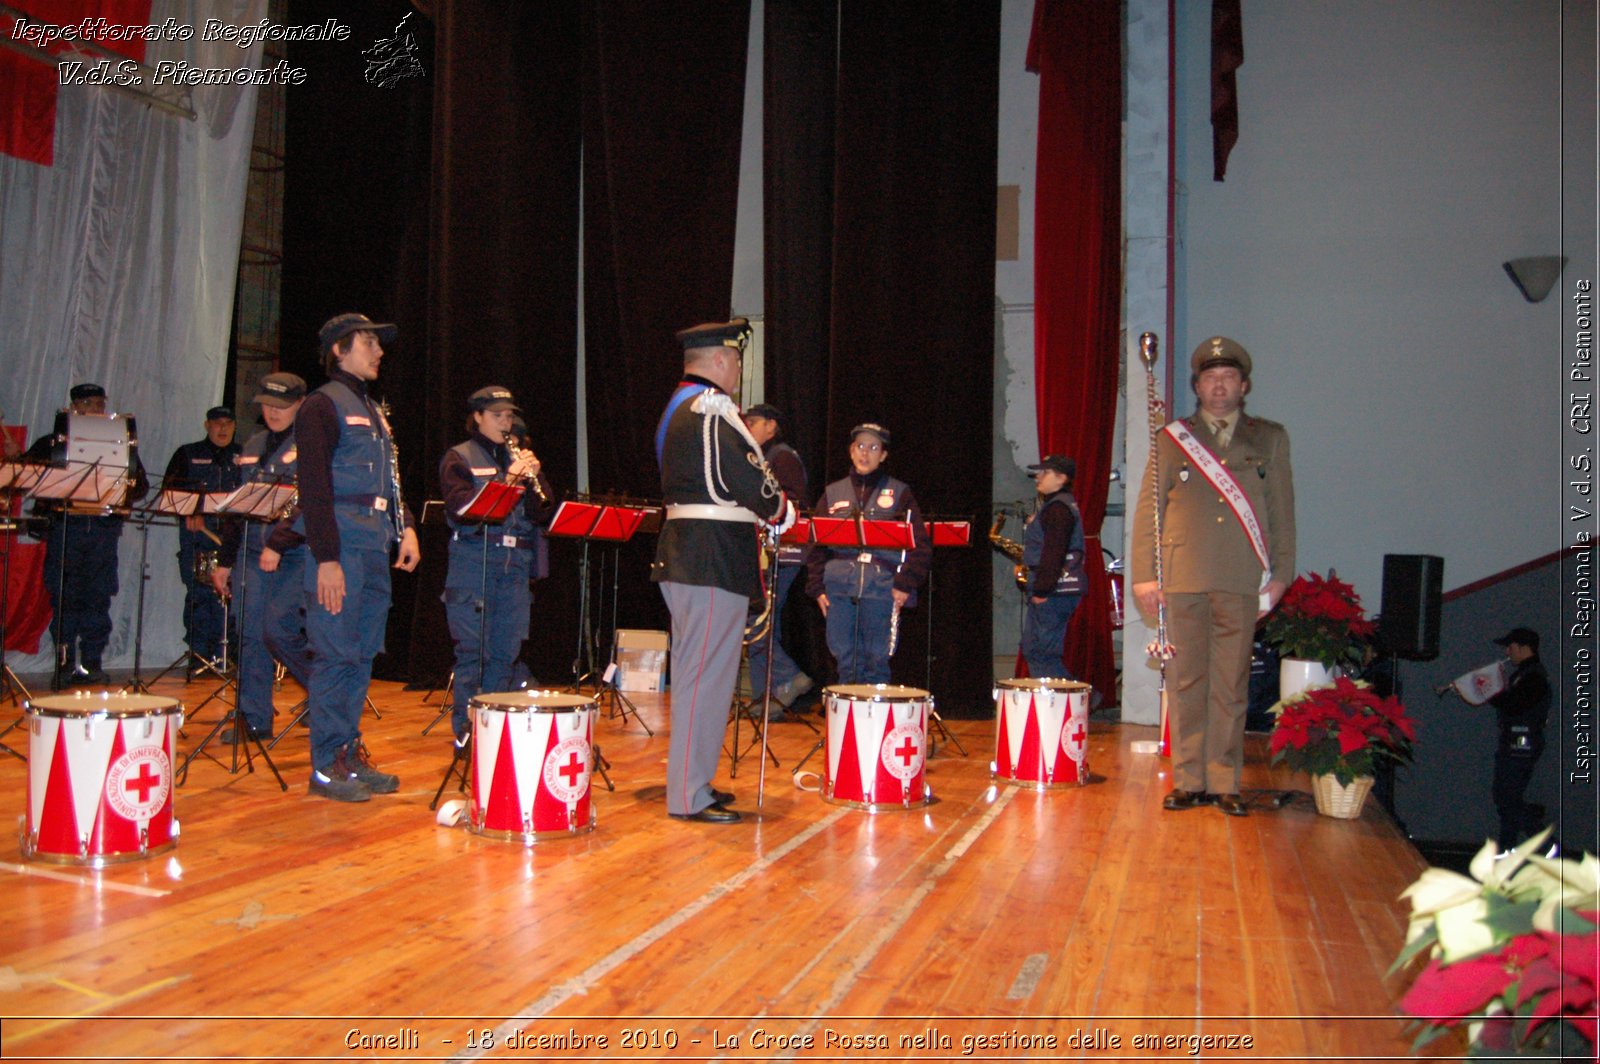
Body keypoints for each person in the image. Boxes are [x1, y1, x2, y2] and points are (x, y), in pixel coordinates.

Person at [1131, 336, 1295, 817]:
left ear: (1243, 386)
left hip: (1242, 577)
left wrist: (1282, 573)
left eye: (1228, 378)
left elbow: (1283, 513)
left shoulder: (1269, 438)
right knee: (1186, 682)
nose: (1218, 385)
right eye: (1209, 378)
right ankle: (1189, 780)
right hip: (1182, 574)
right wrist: (1144, 575)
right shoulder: (1172, 438)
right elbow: (1149, 511)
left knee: (1231, 683)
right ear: (1197, 386)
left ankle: (1225, 781)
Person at [652, 318, 792, 825]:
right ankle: (688, 794)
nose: (738, 369)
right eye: (735, 360)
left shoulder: (682, 408)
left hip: (697, 555)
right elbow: (748, 482)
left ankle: (696, 783)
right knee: (701, 678)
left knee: (706, 676)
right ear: (719, 361)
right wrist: (781, 510)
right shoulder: (708, 411)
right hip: (708, 556)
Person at [292, 314, 421, 802]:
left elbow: (391, 478)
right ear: (340, 350)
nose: (379, 351)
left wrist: (405, 525)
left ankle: (348, 754)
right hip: (340, 546)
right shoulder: (321, 406)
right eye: (370, 343)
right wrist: (327, 558)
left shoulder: (373, 408)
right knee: (335, 655)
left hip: (373, 544)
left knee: (362, 656)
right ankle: (326, 765)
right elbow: (315, 490)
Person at [438, 385, 555, 750]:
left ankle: (498, 733)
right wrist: (508, 482)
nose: (506, 423)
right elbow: (463, 512)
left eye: (509, 416)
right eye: (497, 416)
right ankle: (468, 734)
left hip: (515, 565)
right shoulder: (459, 457)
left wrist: (538, 482)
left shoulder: (516, 455)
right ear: (477, 417)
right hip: (476, 561)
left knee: (505, 652)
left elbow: (544, 513)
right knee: (474, 652)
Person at [210, 373, 314, 742]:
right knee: (250, 634)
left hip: (296, 554)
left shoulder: (313, 443)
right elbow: (238, 508)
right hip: (251, 554)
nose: (272, 412)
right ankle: (254, 718)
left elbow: (311, 506)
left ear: (301, 404)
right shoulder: (253, 444)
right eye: (266, 405)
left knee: (277, 630)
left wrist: (279, 545)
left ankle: (326, 691)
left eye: (281, 406)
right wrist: (225, 560)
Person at [23, 382, 148, 687]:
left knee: (98, 598)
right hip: (67, 528)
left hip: (103, 530)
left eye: (100, 404)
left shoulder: (119, 442)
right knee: (65, 597)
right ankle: (64, 666)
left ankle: (92, 663)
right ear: (75, 407)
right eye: (90, 404)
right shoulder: (53, 441)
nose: (97, 410)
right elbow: (27, 475)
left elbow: (140, 484)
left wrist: (123, 493)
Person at [804, 422, 931, 686]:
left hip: (881, 588)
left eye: (873, 447)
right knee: (845, 659)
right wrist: (817, 588)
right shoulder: (832, 493)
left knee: (876, 659)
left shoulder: (900, 493)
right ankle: (848, 725)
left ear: (883, 455)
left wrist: (904, 583)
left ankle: (875, 724)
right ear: (851, 451)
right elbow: (814, 547)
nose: (865, 453)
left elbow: (920, 546)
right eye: (860, 446)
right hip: (839, 588)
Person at [741, 403, 812, 713]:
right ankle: (768, 698)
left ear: (772, 426)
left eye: (754, 422)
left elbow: (789, 503)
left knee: (755, 619)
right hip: (773, 551)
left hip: (782, 551)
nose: (748, 426)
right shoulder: (766, 456)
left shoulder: (780, 457)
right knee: (766, 622)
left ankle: (789, 676)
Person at [163, 405, 242, 672]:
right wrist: (189, 512)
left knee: (229, 597)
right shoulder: (188, 454)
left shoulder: (243, 456)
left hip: (231, 539)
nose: (223, 429)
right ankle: (199, 655)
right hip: (199, 539)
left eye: (228, 423)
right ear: (206, 425)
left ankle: (226, 655)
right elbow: (169, 492)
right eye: (217, 423)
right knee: (200, 596)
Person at [1020, 454, 1086, 681]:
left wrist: (1041, 590)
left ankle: (1071, 703)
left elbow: (1054, 552)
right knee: (1035, 649)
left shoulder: (1058, 509)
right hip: (1057, 589)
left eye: (1045, 472)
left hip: (1054, 591)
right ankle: (1067, 702)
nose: (1038, 477)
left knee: (1040, 652)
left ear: (1061, 478)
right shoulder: (1059, 506)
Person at [1486, 626, 1552, 849]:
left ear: (1525, 648)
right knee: (1508, 799)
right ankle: (1507, 849)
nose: (1507, 652)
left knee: (1507, 799)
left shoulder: (1533, 677)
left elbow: (1515, 705)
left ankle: (1548, 846)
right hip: (1515, 742)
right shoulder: (1525, 674)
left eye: (1510, 647)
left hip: (1521, 743)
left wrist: (1490, 694)